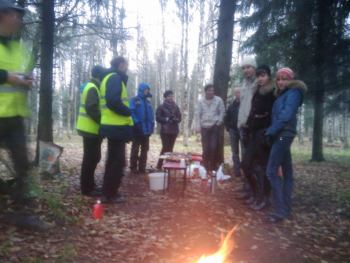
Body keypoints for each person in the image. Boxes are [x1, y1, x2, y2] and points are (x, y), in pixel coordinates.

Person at [0, 0, 48, 231]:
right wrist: (6, 77)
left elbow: (22, 75)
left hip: (15, 116)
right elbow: (7, 77)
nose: (19, 19)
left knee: (23, 165)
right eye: (14, 15)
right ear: (2, 15)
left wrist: (26, 81)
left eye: (20, 16)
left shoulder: (19, 48)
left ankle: (21, 213)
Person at [265, 67, 307, 223]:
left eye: (285, 79)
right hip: (282, 135)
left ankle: (280, 210)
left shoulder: (294, 93)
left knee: (270, 171)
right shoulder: (283, 94)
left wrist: (270, 131)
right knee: (287, 172)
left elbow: (286, 115)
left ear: (291, 80)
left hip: (283, 135)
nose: (281, 82)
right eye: (279, 79)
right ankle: (286, 208)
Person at [99, 56, 133, 204]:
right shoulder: (114, 78)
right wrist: (128, 111)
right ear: (121, 64)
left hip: (113, 126)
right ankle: (110, 194)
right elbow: (113, 101)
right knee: (117, 162)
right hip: (115, 126)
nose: (128, 67)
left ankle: (108, 191)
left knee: (113, 160)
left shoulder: (110, 77)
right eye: (127, 64)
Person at [241, 65, 275, 210]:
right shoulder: (257, 92)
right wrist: (247, 127)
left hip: (265, 135)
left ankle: (264, 199)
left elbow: (274, 115)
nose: (261, 78)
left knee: (264, 168)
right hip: (254, 134)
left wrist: (268, 133)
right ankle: (256, 194)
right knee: (246, 165)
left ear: (269, 76)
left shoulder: (273, 93)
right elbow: (252, 113)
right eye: (259, 76)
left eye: (264, 75)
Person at [76, 65, 105, 196]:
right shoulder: (93, 88)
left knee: (94, 157)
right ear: (99, 76)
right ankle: (87, 188)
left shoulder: (92, 87)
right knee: (90, 159)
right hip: (90, 130)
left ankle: (90, 185)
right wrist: (103, 122)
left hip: (91, 129)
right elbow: (91, 108)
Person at [236, 57, 257, 199]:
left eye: (249, 67)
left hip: (254, 126)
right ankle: (248, 188)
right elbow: (242, 106)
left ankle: (257, 192)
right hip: (242, 126)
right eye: (243, 68)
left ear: (254, 68)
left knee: (254, 161)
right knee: (245, 160)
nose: (246, 70)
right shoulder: (243, 84)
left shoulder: (259, 83)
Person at [197, 84, 225, 173]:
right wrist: (198, 126)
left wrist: (218, 123)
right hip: (204, 126)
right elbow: (197, 114)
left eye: (213, 90)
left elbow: (222, 112)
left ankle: (213, 166)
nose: (211, 92)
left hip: (214, 126)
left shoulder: (218, 100)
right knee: (205, 148)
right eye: (209, 90)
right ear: (205, 91)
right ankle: (205, 166)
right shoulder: (201, 101)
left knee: (213, 147)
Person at [129, 83, 154, 174]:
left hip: (146, 130)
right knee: (135, 148)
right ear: (142, 90)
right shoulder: (134, 100)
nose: (147, 91)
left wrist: (151, 127)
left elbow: (151, 116)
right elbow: (131, 111)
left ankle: (142, 168)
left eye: (148, 90)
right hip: (137, 129)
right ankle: (133, 167)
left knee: (145, 149)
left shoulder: (148, 102)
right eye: (146, 89)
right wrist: (136, 123)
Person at [156, 90, 181, 169]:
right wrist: (166, 119)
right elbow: (158, 118)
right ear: (165, 97)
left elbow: (180, 117)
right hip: (165, 131)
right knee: (165, 148)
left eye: (172, 96)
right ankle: (159, 165)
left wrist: (175, 119)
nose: (171, 98)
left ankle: (168, 165)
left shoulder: (176, 106)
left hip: (174, 130)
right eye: (169, 96)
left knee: (170, 148)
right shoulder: (161, 106)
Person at [224, 88, 241, 177]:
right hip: (233, 130)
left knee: (245, 151)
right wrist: (228, 128)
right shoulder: (232, 105)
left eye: (239, 92)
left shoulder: (245, 104)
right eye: (236, 92)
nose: (238, 94)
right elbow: (226, 117)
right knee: (235, 152)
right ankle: (237, 171)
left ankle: (245, 171)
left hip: (242, 130)